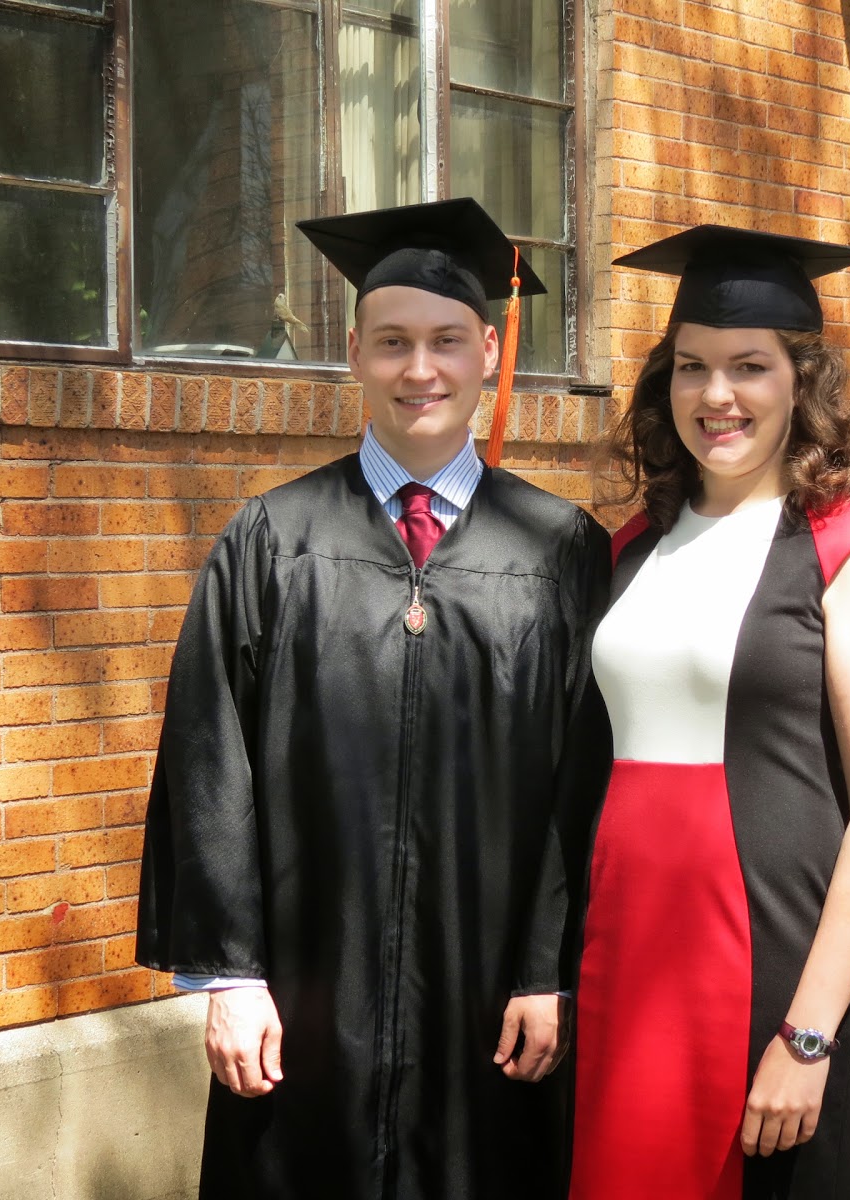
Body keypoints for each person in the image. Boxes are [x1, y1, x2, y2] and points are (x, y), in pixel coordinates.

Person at [136, 198, 611, 1200]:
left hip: (490, 998)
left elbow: (586, 783)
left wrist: (547, 970)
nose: (419, 370)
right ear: (353, 352)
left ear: (487, 350)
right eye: (392, 343)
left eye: (444, 342)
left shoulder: (560, 549)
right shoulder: (272, 540)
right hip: (308, 996)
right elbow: (210, 760)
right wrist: (230, 976)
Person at [569, 226, 850, 1200]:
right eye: (691, 366)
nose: (715, 394)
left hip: (773, 965)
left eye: (748, 366)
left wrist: (809, 1033)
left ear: (799, 382)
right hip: (625, 962)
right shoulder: (635, 545)